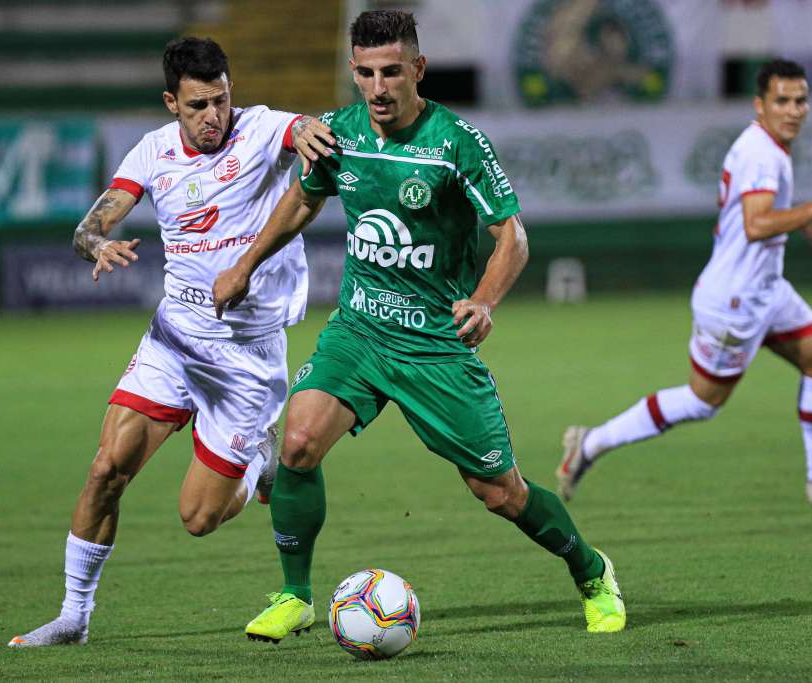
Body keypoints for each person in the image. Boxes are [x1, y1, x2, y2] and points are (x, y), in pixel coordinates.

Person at [212, 9, 626, 641]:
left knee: (500, 492)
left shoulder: (456, 142)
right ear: (353, 71)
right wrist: (244, 264)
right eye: (366, 74)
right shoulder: (339, 133)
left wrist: (483, 301)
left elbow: (511, 237)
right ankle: (295, 594)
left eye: (392, 73)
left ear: (418, 70)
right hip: (360, 331)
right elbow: (303, 198)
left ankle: (592, 571)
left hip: (436, 345)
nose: (378, 88)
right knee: (295, 444)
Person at [8, 36, 334, 648]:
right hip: (175, 340)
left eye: (221, 99)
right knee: (106, 469)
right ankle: (74, 618)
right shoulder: (153, 152)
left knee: (198, 519)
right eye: (197, 107)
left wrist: (313, 130)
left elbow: (301, 130)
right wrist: (97, 243)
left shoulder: (260, 130)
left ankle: (259, 456)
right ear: (170, 103)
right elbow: (91, 224)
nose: (213, 117)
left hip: (247, 359)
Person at [556, 59, 812, 509]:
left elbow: (764, 208)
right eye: (782, 100)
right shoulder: (762, 152)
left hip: (766, 288)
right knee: (703, 401)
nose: (794, 109)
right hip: (734, 302)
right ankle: (590, 443)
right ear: (759, 105)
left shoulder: (765, 145)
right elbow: (758, 223)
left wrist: (804, 225)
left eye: (801, 100)